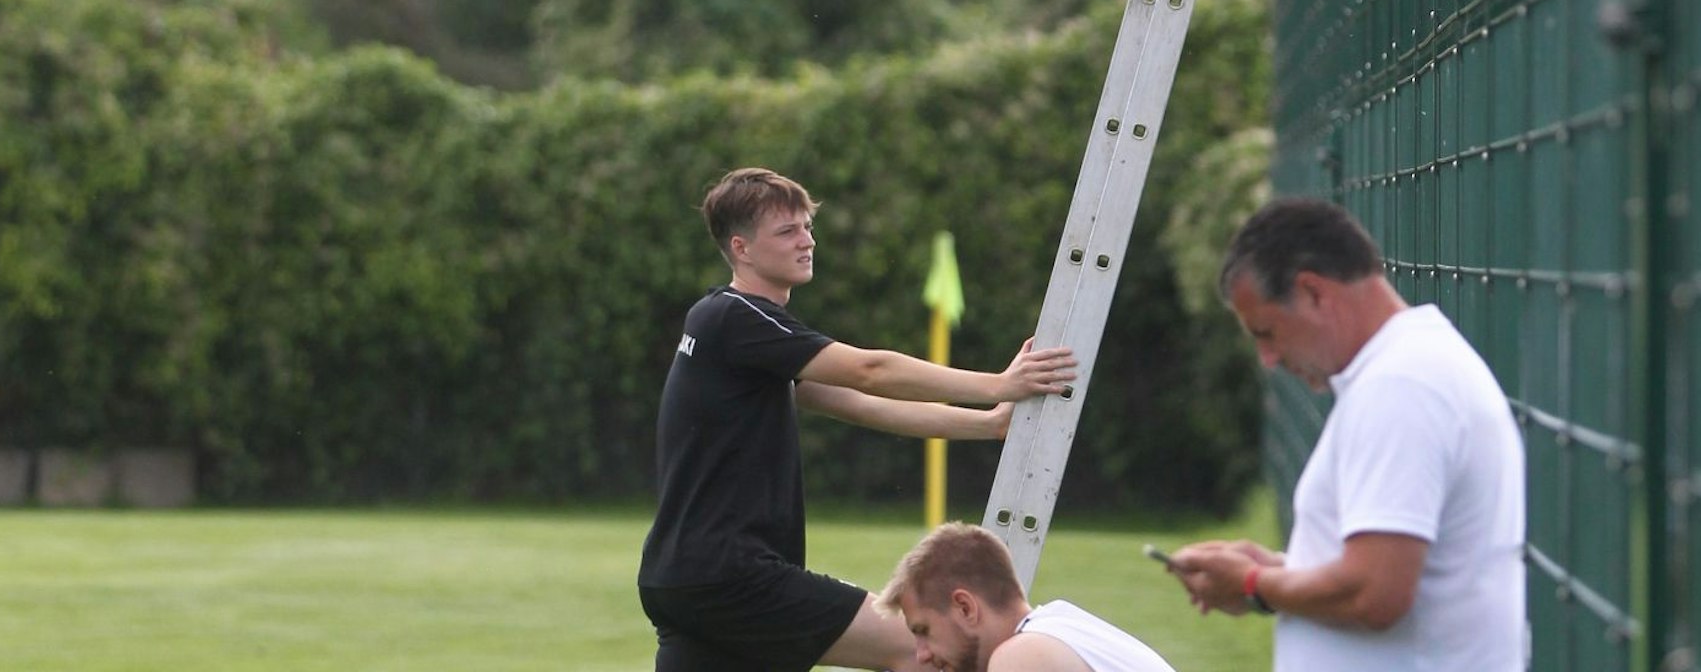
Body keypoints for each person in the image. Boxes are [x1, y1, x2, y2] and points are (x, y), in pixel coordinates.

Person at [637, 167, 1078, 672]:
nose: (807, 241)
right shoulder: (735, 316)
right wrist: (998, 384)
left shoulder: (743, 338)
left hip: (681, 579)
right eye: (787, 231)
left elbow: (864, 404)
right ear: (742, 248)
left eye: (807, 227)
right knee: (930, 651)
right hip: (731, 576)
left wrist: (989, 423)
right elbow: (871, 371)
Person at [1168, 198, 1527, 670]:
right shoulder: (1411, 369)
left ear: (1313, 293)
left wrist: (1253, 583)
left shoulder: (1400, 386)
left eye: (1267, 332)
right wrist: (1282, 572)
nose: (1268, 360)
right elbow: (1397, 572)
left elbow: (1375, 593)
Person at [882, 521, 1180, 672]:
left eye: (924, 631)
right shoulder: (1061, 630)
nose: (921, 655)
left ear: (965, 607)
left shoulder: (1022, 657)